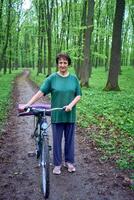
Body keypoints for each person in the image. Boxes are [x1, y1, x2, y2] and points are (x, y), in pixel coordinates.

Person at [21, 53, 82, 175]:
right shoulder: (52, 78)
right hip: (57, 116)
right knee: (57, 141)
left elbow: (78, 95)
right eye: (60, 62)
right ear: (57, 64)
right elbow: (41, 92)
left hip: (70, 115)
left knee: (69, 140)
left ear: (68, 64)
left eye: (65, 63)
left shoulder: (74, 78)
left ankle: (69, 162)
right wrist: (28, 104)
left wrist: (70, 105)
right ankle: (57, 164)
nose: (62, 65)